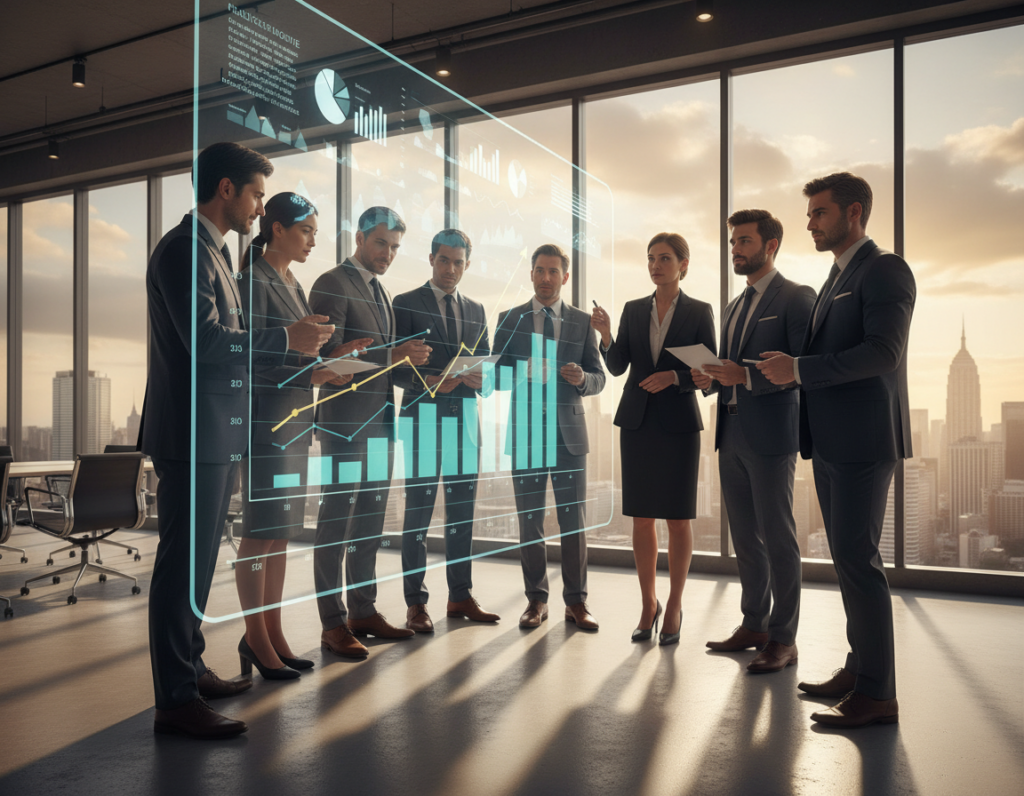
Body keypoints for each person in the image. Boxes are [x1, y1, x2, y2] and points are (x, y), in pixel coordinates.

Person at [142, 142, 333, 739]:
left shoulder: (216, 254)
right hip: (192, 432)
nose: (257, 207)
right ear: (225, 189)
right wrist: (285, 341)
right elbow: (207, 345)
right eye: (254, 194)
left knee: (198, 569)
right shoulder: (184, 251)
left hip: (216, 432)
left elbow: (229, 344)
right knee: (181, 569)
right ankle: (174, 700)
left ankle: (191, 668)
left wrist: (291, 347)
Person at [758, 172, 915, 728]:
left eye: (819, 213)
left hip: (864, 441)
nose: (809, 223)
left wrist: (798, 368)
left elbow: (883, 352)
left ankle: (878, 695)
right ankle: (860, 668)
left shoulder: (885, 269)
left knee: (859, 560)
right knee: (848, 561)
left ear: (853, 212)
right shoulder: (834, 277)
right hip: (829, 441)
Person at [235, 192, 372, 679]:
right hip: (267, 420)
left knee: (280, 537)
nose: (315, 239)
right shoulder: (251, 283)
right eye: (307, 230)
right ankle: (255, 638)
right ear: (277, 229)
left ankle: (270, 635)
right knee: (259, 535)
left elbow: (297, 355)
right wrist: (310, 374)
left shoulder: (291, 283)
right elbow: (247, 360)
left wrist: (332, 363)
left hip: (295, 421)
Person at [692, 210, 815, 669]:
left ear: (772, 244)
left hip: (771, 435)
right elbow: (730, 371)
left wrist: (743, 375)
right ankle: (755, 623)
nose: (735, 250)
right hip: (732, 430)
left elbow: (804, 369)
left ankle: (784, 638)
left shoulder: (797, 298)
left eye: (744, 241)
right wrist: (710, 378)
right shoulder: (734, 305)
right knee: (745, 537)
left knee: (778, 539)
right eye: (732, 243)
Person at [308, 206, 432, 651]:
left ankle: (363, 610)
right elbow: (328, 361)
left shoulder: (381, 293)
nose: (388, 253)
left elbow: (385, 368)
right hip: (344, 422)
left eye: (395, 247)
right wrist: (393, 355)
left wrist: (420, 368)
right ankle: (332, 622)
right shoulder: (331, 283)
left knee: (369, 522)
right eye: (381, 243)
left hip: (380, 421)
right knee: (336, 522)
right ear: (359, 238)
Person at [591, 232, 715, 646]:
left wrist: (675, 378)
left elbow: (709, 372)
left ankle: (675, 605)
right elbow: (617, 365)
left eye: (664, 258)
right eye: (651, 259)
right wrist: (607, 334)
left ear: (683, 264)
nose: (655, 265)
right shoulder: (632, 309)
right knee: (642, 518)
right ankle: (649, 604)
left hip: (679, 424)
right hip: (638, 422)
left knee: (678, 520)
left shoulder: (699, 311)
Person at [392, 229, 500, 632]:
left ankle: (460, 596)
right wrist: (431, 381)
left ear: (467, 264)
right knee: (417, 516)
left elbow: (486, 369)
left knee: (461, 516)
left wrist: (480, 381)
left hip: (465, 424)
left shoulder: (476, 309)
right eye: (444, 260)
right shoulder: (405, 303)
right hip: (422, 421)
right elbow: (395, 367)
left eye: (458, 262)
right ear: (432, 259)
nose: (451, 269)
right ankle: (415, 604)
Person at [494, 243, 606, 631]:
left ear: (565, 276)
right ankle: (536, 601)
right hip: (526, 434)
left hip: (568, 434)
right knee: (530, 521)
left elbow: (599, 377)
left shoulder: (581, 322)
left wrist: (582, 380)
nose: (545, 278)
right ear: (531, 274)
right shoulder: (508, 319)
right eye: (539, 271)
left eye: (553, 271)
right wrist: (519, 374)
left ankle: (576, 602)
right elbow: (495, 377)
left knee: (572, 522)